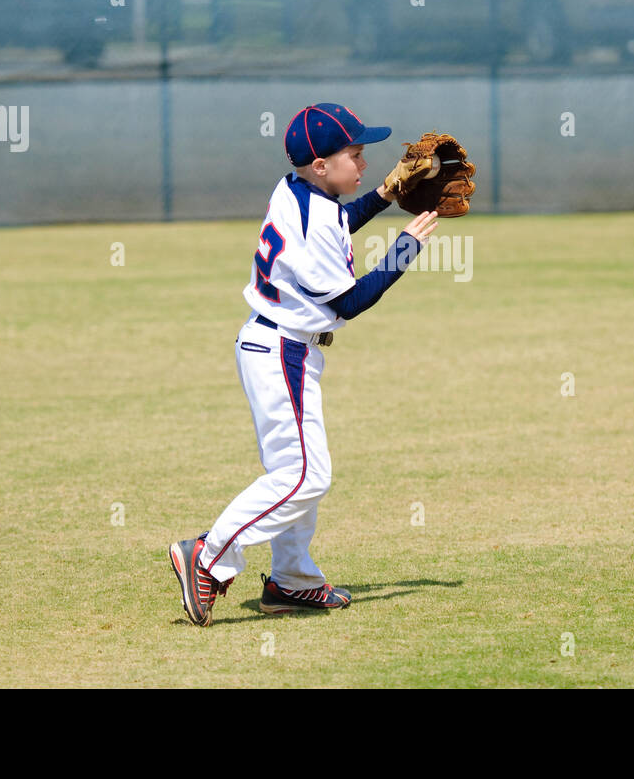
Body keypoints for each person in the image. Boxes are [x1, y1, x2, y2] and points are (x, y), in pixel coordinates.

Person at [169, 102, 440, 626]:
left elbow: (340, 219)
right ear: (321, 165)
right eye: (355, 154)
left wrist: (384, 195)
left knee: (295, 470)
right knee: (305, 477)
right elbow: (348, 303)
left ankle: (291, 580)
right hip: (281, 351)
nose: (363, 162)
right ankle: (207, 555)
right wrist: (405, 250)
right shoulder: (314, 215)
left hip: (281, 346)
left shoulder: (297, 190)